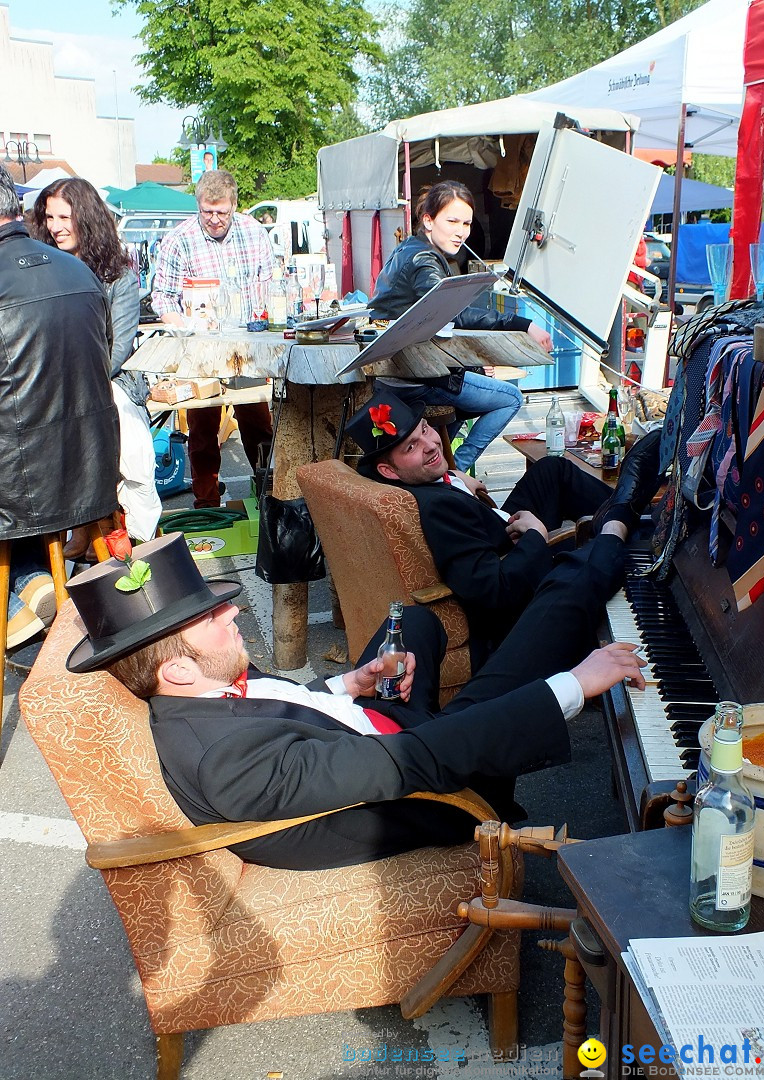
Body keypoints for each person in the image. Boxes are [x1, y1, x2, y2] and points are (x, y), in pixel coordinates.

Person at [65, 531, 646, 871]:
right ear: (178, 668)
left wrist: (353, 683)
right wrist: (573, 684)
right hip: (431, 781)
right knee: (546, 633)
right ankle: (611, 542)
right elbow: (410, 764)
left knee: (411, 620)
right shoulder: (227, 762)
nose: (234, 611)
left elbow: (276, 709)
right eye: (211, 617)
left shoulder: (198, 694)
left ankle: (592, 561)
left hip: (367, 731)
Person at [348, 389, 664, 668]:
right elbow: (495, 590)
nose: (431, 445)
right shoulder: (438, 511)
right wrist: (536, 534)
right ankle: (637, 522)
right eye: (411, 448)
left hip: (496, 524)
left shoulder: (418, 482)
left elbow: (431, 478)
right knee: (602, 542)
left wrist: (454, 478)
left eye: (426, 429)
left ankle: (639, 513)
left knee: (551, 469)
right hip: (522, 576)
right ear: (388, 470)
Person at [0, 162, 119, 646]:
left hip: (19, 485)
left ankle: (25, 589)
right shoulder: (79, 270)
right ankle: (30, 587)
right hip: (88, 469)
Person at [369, 181, 553, 473]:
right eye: (452, 221)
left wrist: (473, 368)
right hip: (415, 380)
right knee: (510, 398)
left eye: (466, 223)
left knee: (462, 402)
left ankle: (443, 469)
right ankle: (456, 470)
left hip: (400, 375)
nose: (461, 231)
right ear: (428, 220)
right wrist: (524, 323)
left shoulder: (409, 248)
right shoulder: (423, 259)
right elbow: (455, 313)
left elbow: (437, 321)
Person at [31, 177, 162, 553]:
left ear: (86, 218)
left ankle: (117, 530)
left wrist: (77, 381)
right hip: (57, 382)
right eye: (49, 217)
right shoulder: (42, 268)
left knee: (117, 429)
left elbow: (118, 348)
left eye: (64, 217)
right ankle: (82, 528)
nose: (55, 226)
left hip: (107, 381)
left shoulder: (117, 273)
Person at [151, 170, 275, 507]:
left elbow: (270, 282)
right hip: (201, 353)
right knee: (203, 429)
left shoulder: (254, 233)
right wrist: (183, 326)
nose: (214, 219)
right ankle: (207, 503)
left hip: (247, 350)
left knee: (258, 426)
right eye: (207, 211)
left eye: (221, 211)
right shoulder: (179, 239)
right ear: (198, 205)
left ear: (235, 205)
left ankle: (268, 495)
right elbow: (161, 296)